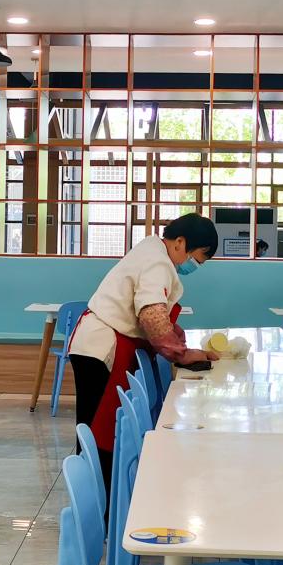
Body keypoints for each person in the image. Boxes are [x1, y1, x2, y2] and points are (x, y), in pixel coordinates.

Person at [68, 212, 220, 497]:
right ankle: (95, 502)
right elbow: (151, 314)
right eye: (197, 258)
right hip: (102, 348)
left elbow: (156, 315)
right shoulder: (157, 261)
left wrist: (177, 340)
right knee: (98, 431)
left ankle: (97, 497)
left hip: (97, 344)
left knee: (95, 428)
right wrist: (181, 354)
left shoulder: (152, 251)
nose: (195, 266)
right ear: (180, 242)